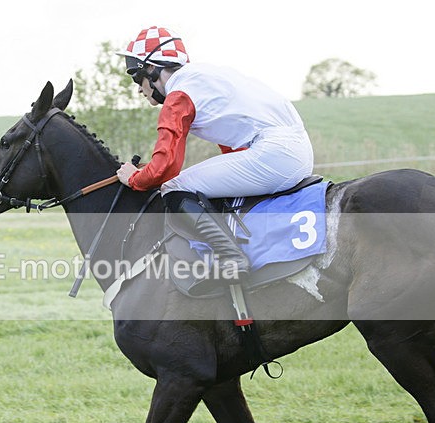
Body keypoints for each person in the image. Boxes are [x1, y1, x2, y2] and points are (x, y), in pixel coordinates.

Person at [115, 26, 314, 282]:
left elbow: (166, 169)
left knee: (174, 187)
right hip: (295, 150)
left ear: (151, 68)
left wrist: (134, 177)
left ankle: (232, 258)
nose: (139, 90)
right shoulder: (206, 76)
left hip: (274, 152)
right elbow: (231, 148)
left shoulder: (179, 95)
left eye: (136, 78)